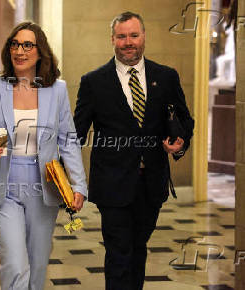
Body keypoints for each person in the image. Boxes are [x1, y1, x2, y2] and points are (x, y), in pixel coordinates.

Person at [73, 12, 194, 290]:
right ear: (112, 39)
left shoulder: (166, 77)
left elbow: (185, 121)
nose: (129, 42)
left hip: (151, 183)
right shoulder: (94, 81)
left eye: (134, 35)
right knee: (119, 252)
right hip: (112, 184)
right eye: (122, 36)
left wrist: (180, 142)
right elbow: (76, 133)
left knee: (138, 249)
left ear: (144, 37)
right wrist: (64, 173)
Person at [0, 21, 87, 290]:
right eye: (15, 44)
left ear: (40, 51)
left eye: (27, 45)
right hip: (3, 183)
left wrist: (78, 185)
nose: (19, 51)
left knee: (38, 263)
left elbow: (68, 140)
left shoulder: (56, 90)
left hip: (45, 185)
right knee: (15, 262)